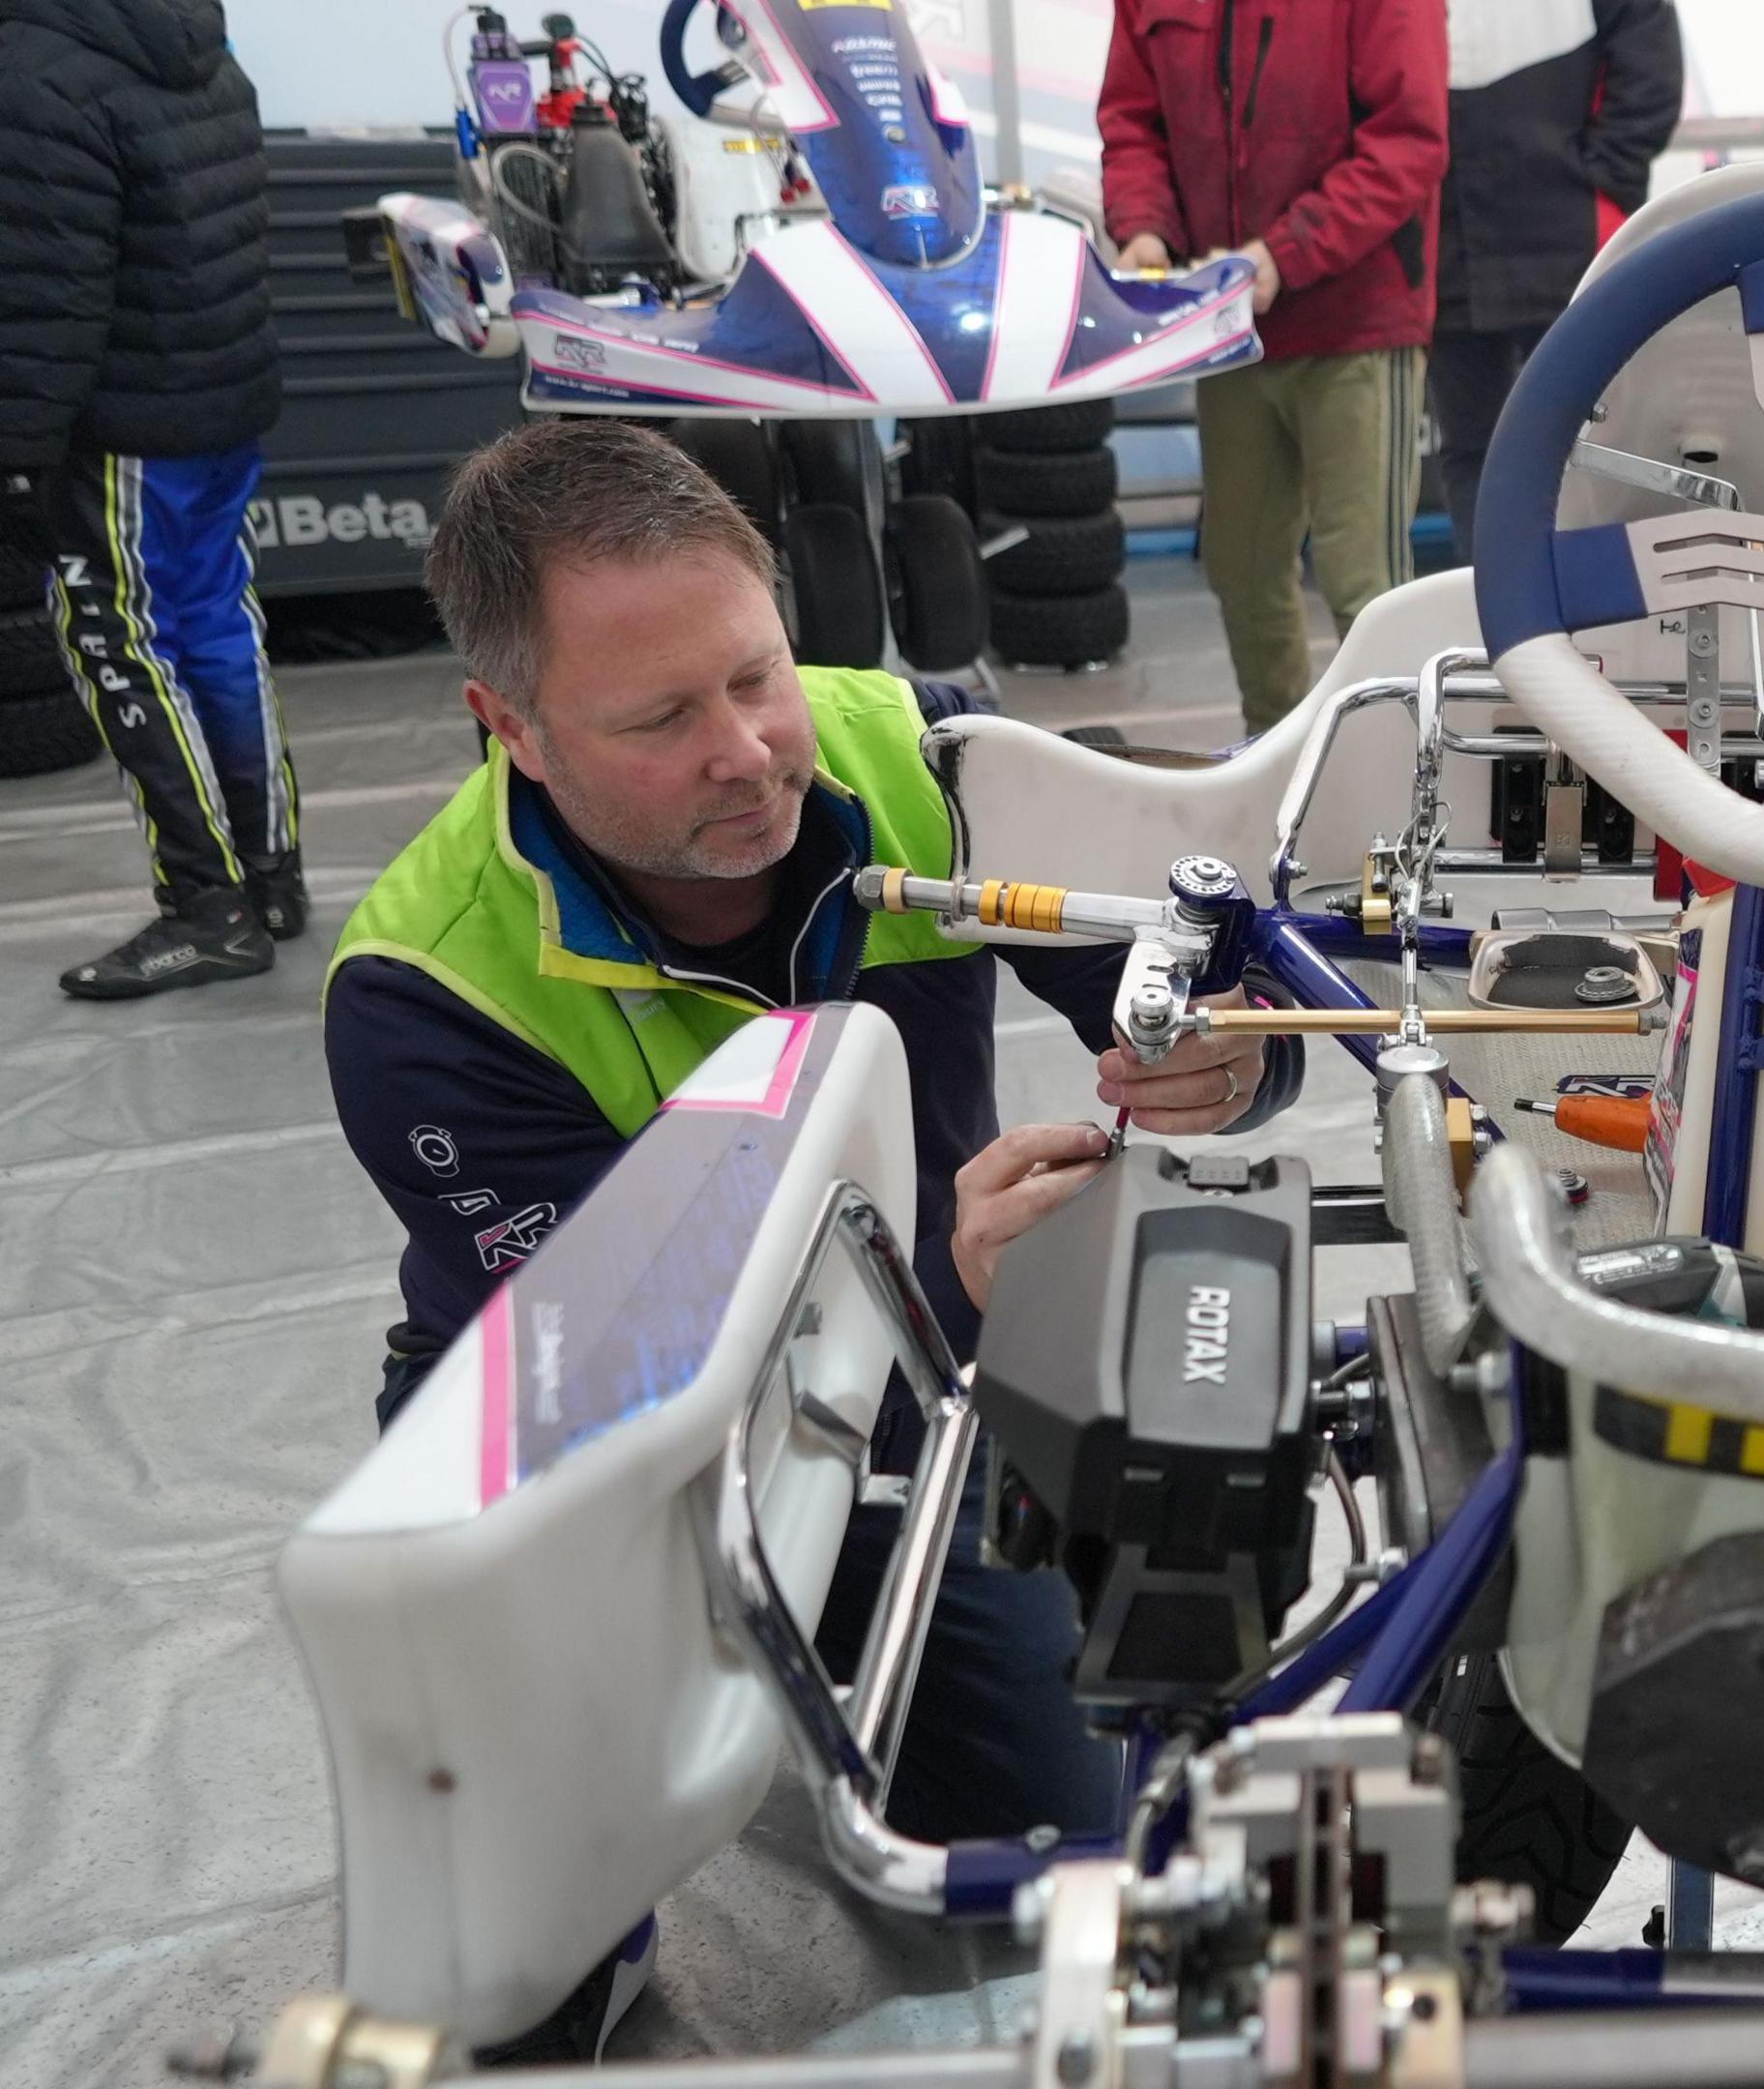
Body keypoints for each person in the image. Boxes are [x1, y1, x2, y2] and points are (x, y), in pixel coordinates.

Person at [322, 421, 1302, 2055]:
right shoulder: (423, 989)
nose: (749, 754)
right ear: (510, 730)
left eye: (756, 676)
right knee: (513, 1980)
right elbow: (634, 1365)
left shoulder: (932, 757)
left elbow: (1232, 1005)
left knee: (1075, 1866)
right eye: (659, 719)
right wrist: (947, 1295)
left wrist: (1236, 1061)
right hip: (559, 1419)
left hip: (905, 1397)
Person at [0, 0, 294, 999]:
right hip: (215, 402)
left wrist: (18, 463)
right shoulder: (189, 36)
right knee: (212, 622)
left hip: (123, 430)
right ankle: (270, 878)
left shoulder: (38, 69)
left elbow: (48, 297)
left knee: (117, 639)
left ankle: (207, 910)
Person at [1101, 0, 1447, 731]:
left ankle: (1397, 788)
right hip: (1228, 327)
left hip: (1356, 321)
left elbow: (1409, 141)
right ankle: (1277, 766)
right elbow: (1134, 122)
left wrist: (1285, 253)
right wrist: (1145, 232)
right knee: (1244, 573)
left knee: (1367, 586)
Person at [1429, 0, 1683, 562]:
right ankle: (1497, 616)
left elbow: (1651, 76)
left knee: (1602, 444)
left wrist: (1600, 182)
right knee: (1473, 449)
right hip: (1449, 250)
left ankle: (1601, 626)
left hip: (1571, 242)